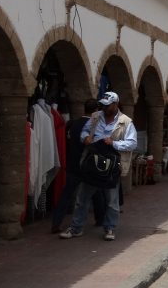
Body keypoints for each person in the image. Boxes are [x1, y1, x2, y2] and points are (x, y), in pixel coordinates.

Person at [61, 92, 137, 241]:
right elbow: (84, 131)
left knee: (111, 200)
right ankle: (76, 228)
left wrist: (114, 143)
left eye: (108, 105)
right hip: (93, 162)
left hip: (111, 165)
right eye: (103, 104)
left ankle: (110, 228)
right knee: (82, 198)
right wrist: (86, 138)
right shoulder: (96, 117)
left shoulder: (126, 122)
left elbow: (132, 143)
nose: (104, 107)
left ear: (115, 105)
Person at [50, 99, 105, 233]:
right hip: (88, 166)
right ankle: (100, 219)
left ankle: (56, 222)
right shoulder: (93, 126)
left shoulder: (73, 124)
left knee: (66, 194)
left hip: (73, 164)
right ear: (96, 111)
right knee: (96, 192)